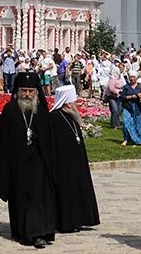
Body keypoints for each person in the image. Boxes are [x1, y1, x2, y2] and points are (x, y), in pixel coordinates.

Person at [0, 71, 58, 248]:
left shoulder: (42, 110)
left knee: (38, 198)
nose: (27, 94)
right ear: (18, 91)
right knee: (20, 198)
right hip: (18, 164)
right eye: (24, 91)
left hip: (38, 162)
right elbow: (3, 142)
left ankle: (38, 233)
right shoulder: (10, 110)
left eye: (30, 91)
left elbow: (49, 140)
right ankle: (21, 231)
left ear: (36, 91)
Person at [50, 84, 101, 233]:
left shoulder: (73, 117)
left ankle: (81, 219)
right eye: (73, 102)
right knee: (67, 192)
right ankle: (67, 223)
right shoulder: (54, 118)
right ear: (66, 103)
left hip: (77, 161)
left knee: (79, 189)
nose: (75, 105)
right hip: (63, 163)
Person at [120, 71, 141, 146]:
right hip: (128, 106)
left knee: (138, 124)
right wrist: (130, 97)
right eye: (130, 77)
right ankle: (126, 139)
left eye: (133, 77)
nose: (132, 79)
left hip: (138, 107)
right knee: (126, 123)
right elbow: (122, 97)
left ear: (136, 78)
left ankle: (138, 140)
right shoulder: (126, 87)